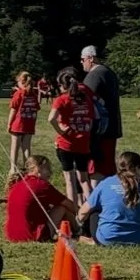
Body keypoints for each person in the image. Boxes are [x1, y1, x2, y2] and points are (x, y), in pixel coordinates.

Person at [82, 150, 140, 245]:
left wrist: (78, 223)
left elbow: (83, 211)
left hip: (107, 238)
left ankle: (90, 237)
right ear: (138, 167)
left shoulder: (106, 183)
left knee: (94, 211)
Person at [4, 154, 77, 244]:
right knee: (62, 208)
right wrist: (82, 213)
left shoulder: (18, 184)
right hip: (33, 235)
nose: (50, 172)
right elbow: (68, 204)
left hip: (12, 235)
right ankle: (80, 229)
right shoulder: (42, 185)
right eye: (47, 169)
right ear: (38, 169)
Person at [48, 69, 96, 203]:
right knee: (84, 179)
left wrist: (61, 131)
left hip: (66, 144)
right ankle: (92, 210)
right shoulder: (85, 99)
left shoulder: (61, 100)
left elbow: (51, 118)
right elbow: (91, 120)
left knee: (70, 180)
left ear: (63, 85)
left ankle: (74, 212)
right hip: (83, 144)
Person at [80, 45, 123, 186]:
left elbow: (83, 98)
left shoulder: (94, 75)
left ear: (91, 59)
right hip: (111, 126)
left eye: (83, 59)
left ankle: (97, 200)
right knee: (108, 166)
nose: (81, 62)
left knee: (97, 167)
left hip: (100, 130)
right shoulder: (108, 72)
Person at [7, 71, 40, 174]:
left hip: (18, 124)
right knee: (26, 147)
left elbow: (13, 110)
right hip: (29, 124)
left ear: (21, 82)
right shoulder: (33, 95)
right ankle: (27, 168)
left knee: (14, 147)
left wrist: (9, 124)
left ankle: (13, 168)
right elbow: (36, 109)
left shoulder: (18, 94)